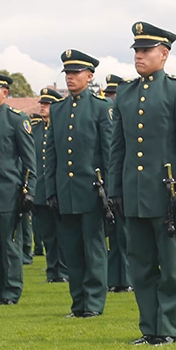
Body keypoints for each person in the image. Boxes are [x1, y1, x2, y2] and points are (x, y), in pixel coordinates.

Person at [109, 22, 176, 345]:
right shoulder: (126, 92)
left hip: (167, 195)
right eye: (136, 50)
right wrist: (115, 191)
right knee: (141, 266)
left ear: (164, 54)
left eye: (146, 50)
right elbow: (117, 148)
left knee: (172, 267)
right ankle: (149, 327)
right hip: (135, 194)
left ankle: (169, 328)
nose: (139, 56)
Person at [46, 48, 112, 318]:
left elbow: (109, 153)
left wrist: (109, 192)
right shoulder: (59, 109)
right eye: (67, 73)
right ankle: (78, 303)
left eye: (75, 73)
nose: (70, 78)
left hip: (92, 191)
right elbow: (51, 155)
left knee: (93, 249)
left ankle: (94, 303)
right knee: (71, 250)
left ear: (90, 75)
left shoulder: (100, 108)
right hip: (66, 191)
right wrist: (50, 190)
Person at [0, 70, 36, 306]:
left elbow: (30, 161)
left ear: (5, 92)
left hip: (8, 192)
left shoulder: (16, 119)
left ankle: (12, 291)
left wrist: (29, 190)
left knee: (10, 245)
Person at [32, 88, 67, 283]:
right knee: (48, 236)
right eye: (42, 104)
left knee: (62, 234)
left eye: (47, 104)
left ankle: (63, 270)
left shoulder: (62, 128)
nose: (43, 107)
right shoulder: (35, 128)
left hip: (57, 190)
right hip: (40, 190)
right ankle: (52, 270)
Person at [103, 74, 131, 292]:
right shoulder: (110, 115)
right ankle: (114, 279)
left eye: (115, 94)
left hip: (125, 183)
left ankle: (128, 278)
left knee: (127, 237)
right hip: (109, 185)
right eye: (109, 94)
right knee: (112, 237)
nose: (112, 98)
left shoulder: (123, 115)